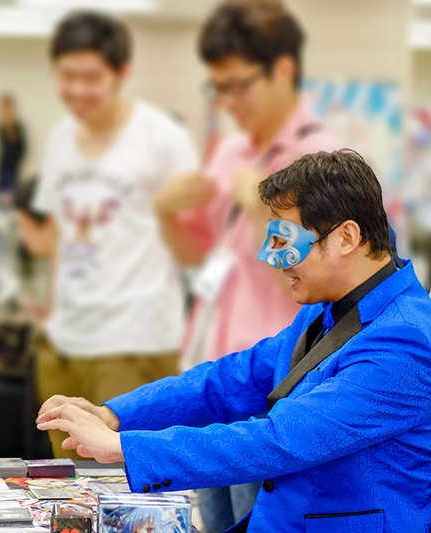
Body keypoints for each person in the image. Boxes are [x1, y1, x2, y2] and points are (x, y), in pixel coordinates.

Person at [38, 150, 431, 533]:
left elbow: (283, 439)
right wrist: (115, 415)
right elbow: (233, 379)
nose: (273, 259)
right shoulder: (328, 309)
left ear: (346, 237)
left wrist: (124, 448)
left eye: (286, 241)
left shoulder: (403, 342)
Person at [152, 1, 342, 528]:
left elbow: (333, 280)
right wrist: (166, 214)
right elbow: (200, 255)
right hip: (219, 377)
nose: (229, 102)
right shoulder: (230, 151)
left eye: (239, 85)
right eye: (218, 88)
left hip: (278, 386)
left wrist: (266, 211)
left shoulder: (323, 158)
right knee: (212, 520)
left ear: (283, 70)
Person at [32, 11, 199, 460]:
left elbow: (194, 251)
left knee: (121, 496)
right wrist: (49, 319)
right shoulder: (60, 137)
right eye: (67, 75)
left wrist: (169, 213)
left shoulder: (163, 138)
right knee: (66, 497)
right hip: (64, 344)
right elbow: (61, 238)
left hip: (132, 343)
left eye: (92, 77)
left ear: (121, 73)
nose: (78, 89)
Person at [0, 93, 26, 195]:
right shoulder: (0, 127)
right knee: (1, 194)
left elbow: (21, 147)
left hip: (14, 169)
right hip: (2, 168)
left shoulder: (18, 126)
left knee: (12, 195)